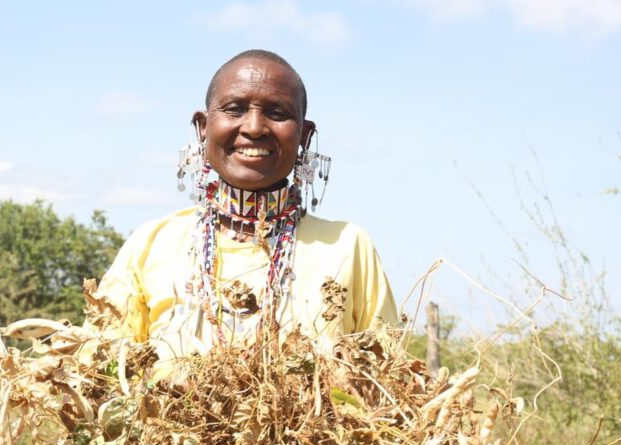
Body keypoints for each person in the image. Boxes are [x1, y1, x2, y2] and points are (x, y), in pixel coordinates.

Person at [97, 50, 398, 359]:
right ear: (203, 127)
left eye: (278, 113)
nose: (254, 128)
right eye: (235, 109)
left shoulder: (346, 247)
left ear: (305, 137)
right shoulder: (153, 243)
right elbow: (100, 371)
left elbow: (386, 375)